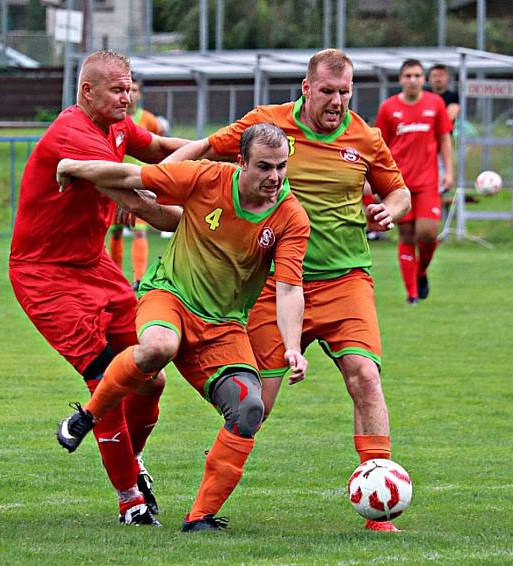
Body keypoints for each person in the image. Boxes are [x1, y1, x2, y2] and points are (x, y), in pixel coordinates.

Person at [162, 49, 411, 532]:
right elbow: (208, 146)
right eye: (328, 92)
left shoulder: (366, 137)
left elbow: (397, 189)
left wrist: (391, 210)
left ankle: (379, 513)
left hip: (346, 280)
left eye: (345, 92)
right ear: (306, 87)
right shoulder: (266, 127)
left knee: (365, 377)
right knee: (255, 403)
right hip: (277, 284)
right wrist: (162, 180)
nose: (338, 101)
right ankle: (202, 513)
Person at [55, 123, 311, 532]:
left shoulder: (291, 216)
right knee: (159, 347)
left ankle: (200, 517)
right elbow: (133, 176)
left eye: (282, 167)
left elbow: (289, 289)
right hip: (169, 296)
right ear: (241, 161)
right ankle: (86, 416)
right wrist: (74, 166)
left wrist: (292, 347)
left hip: (224, 327)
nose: (275, 177)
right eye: (264, 166)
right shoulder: (208, 176)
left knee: (249, 409)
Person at [9, 50, 188, 526]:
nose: (127, 97)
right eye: (117, 89)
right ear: (87, 91)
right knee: (105, 378)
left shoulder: (119, 128)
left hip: (95, 267)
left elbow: (162, 150)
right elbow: (142, 201)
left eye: (129, 88)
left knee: (152, 375)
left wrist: (235, 151)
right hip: (45, 275)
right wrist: (216, 217)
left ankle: (131, 463)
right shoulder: (72, 132)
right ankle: (130, 498)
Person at [376, 59, 453, 304]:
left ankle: (421, 272)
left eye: (417, 75)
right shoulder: (388, 108)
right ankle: (411, 294)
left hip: (428, 181)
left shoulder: (435, 104)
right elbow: (381, 147)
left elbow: (444, 138)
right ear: (400, 79)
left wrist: (449, 171)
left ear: (424, 79)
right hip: (399, 183)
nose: (413, 80)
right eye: (408, 75)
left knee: (428, 233)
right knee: (407, 236)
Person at [108, 79, 170, 290]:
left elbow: (159, 147)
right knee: (115, 231)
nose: (130, 94)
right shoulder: (113, 119)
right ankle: (115, 277)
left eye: (134, 90)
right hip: (115, 182)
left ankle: (139, 279)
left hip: (141, 182)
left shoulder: (149, 120)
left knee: (139, 230)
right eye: (126, 89)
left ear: (140, 94)